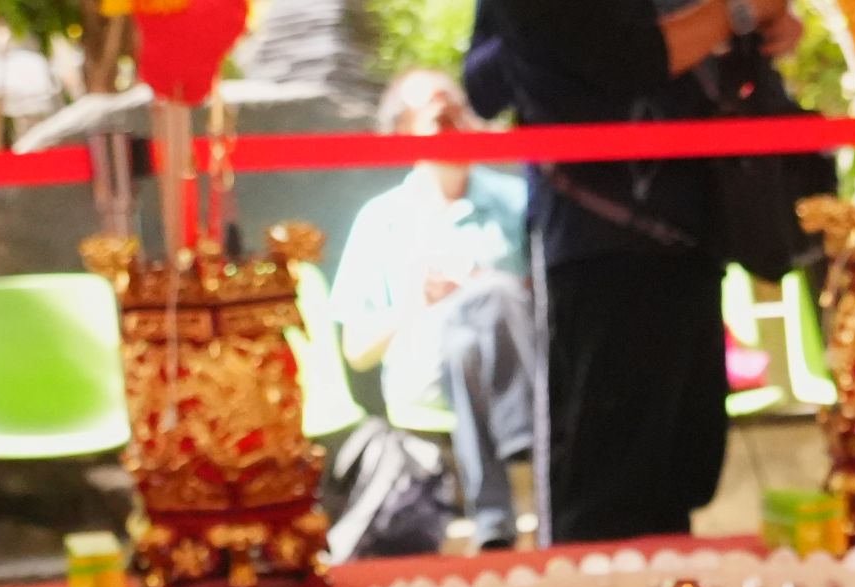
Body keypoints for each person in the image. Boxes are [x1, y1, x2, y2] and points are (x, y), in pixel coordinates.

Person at [466, 0, 798, 543]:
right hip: (601, 247)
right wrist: (735, 13)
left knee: (680, 476)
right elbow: (623, 58)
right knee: (605, 494)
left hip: (691, 234)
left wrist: (753, 26)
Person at [330, 70, 540, 549]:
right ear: (403, 131)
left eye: (463, 114)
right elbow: (358, 352)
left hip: (516, 371)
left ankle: (494, 521)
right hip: (427, 385)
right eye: (440, 118)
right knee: (462, 338)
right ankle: (522, 439)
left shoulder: (518, 202)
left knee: (485, 309)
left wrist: (498, 290)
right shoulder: (380, 222)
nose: (457, 127)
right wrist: (417, 302)